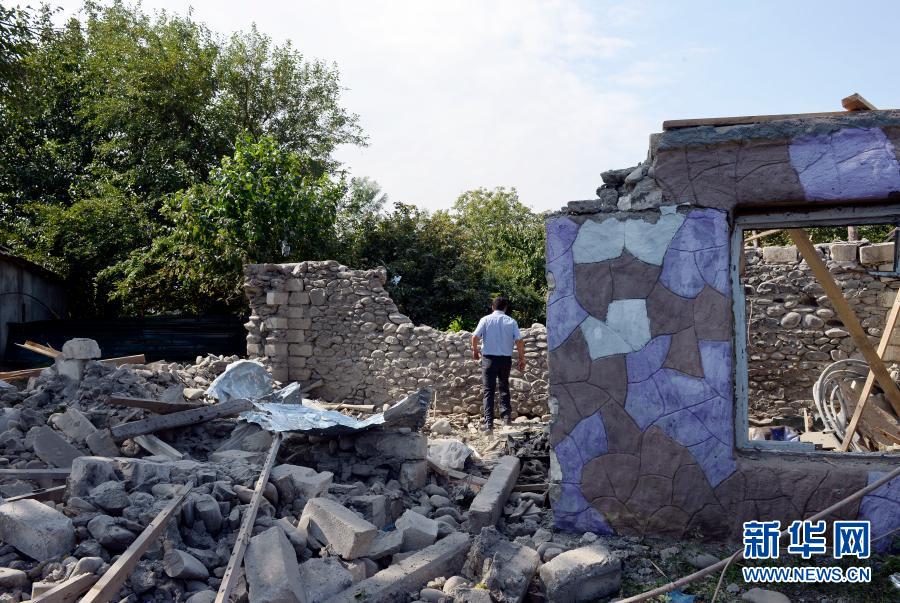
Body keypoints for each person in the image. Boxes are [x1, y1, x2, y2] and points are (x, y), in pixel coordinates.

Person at [471, 296, 526, 433]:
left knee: (488, 391)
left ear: (492, 307)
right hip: (505, 360)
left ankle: (489, 424)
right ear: (505, 308)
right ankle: (506, 419)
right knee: (504, 388)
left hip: (488, 359)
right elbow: (519, 341)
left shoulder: (485, 320)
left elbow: (475, 337)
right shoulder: (511, 321)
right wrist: (521, 358)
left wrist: (475, 351)